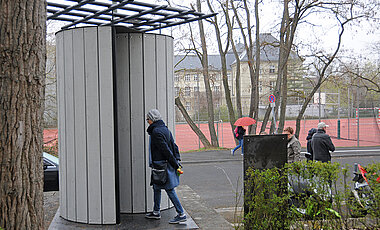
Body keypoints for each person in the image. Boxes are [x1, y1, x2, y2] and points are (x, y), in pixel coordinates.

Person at [145, 109, 186, 224]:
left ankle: (181, 213)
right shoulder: (165, 129)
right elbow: (174, 145)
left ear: (152, 119)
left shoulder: (156, 132)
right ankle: (156, 211)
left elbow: (165, 150)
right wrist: (177, 159)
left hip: (161, 165)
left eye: (148, 119)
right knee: (156, 188)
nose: (147, 121)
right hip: (161, 164)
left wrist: (175, 163)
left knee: (169, 189)